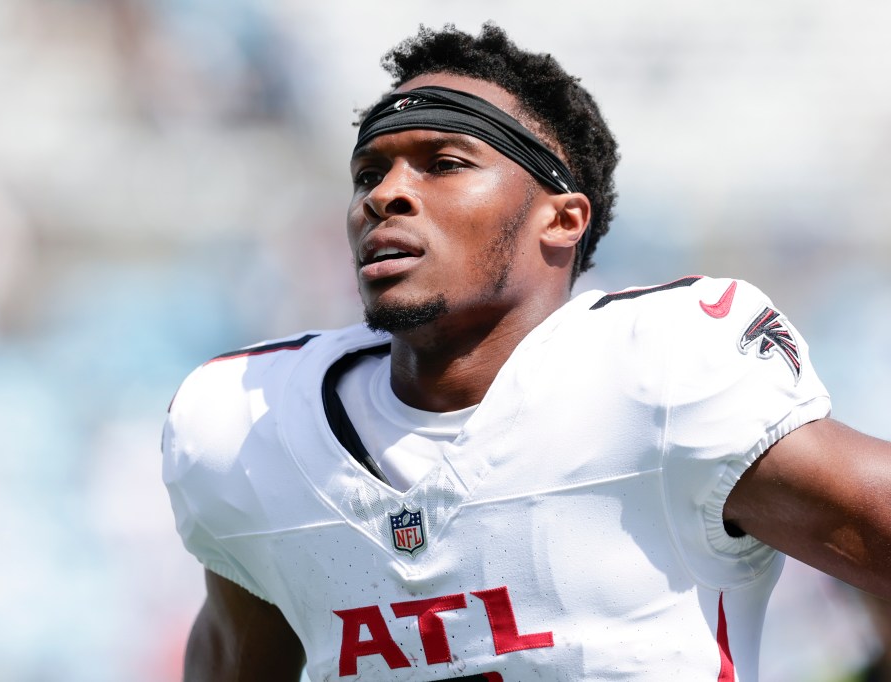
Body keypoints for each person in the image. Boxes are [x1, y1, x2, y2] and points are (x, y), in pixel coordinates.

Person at [161, 23, 891, 681]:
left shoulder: (660, 376)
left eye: (442, 162)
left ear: (562, 219)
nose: (386, 196)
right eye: (368, 174)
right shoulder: (247, 427)